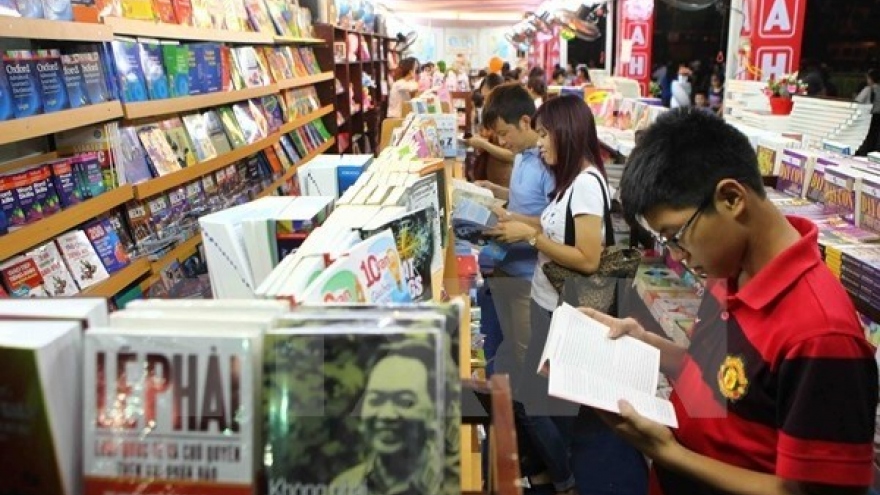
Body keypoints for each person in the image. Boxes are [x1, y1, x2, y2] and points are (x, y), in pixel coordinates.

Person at [584, 108, 878, 495]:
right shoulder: (730, 269)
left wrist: (669, 453)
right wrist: (647, 346)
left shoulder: (821, 334)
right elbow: (732, 382)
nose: (678, 254)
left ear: (731, 198)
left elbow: (810, 491)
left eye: (676, 235)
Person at [490, 95, 649, 495]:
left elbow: (588, 258)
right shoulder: (570, 181)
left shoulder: (588, 185)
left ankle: (566, 480)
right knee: (549, 401)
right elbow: (551, 226)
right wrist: (514, 219)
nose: (540, 143)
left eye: (545, 134)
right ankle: (556, 470)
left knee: (532, 401)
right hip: (550, 303)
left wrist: (532, 236)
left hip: (566, 307)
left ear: (566, 132)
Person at [331, 339, 443, 495]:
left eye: (405, 401)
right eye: (376, 400)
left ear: (434, 413)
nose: (386, 414)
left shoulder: (450, 483)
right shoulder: (345, 486)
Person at [855, 68, 880, 156]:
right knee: (875, 135)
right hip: (878, 115)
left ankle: (863, 152)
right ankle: (873, 151)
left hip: (868, 115)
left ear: (870, 79)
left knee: (865, 135)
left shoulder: (867, 89)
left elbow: (858, 101)